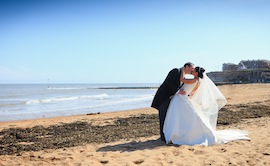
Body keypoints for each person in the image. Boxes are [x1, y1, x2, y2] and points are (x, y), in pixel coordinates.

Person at [163, 66, 250, 146]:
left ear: (197, 73)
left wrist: (182, 70)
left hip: (181, 99)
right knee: (183, 118)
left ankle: (179, 135)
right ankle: (177, 134)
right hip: (182, 98)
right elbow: (192, 92)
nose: (192, 71)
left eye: (193, 70)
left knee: (180, 117)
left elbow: (182, 79)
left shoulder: (194, 80)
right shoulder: (197, 81)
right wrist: (187, 95)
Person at [151, 62, 195, 142]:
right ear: (186, 66)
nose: (192, 70)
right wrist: (178, 91)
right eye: (191, 68)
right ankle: (163, 138)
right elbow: (169, 83)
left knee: (167, 117)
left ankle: (165, 135)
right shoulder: (175, 71)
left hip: (169, 98)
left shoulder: (182, 75)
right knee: (163, 117)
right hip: (163, 98)